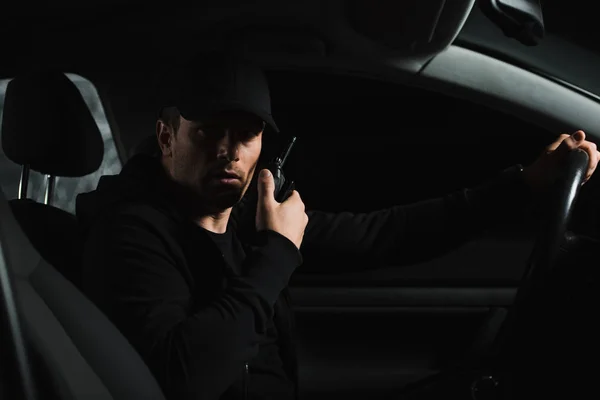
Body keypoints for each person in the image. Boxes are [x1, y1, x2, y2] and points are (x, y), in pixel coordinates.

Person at [76, 51, 599, 400]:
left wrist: (522, 185)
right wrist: (278, 251)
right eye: (208, 131)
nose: (228, 151)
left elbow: (384, 235)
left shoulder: (244, 217)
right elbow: (184, 378)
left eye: (246, 134)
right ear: (167, 138)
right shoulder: (131, 233)